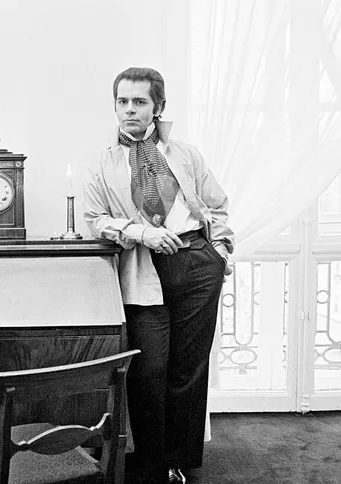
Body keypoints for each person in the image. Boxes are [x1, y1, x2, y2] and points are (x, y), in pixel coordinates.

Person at [83, 67, 234, 484]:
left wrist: (220, 252)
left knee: (188, 371)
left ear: (158, 106)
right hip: (144, 269)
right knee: (148, 373)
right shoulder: (104, 162)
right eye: (122, 101)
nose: (129, 109)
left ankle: (178, 463)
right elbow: (95, 219)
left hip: (197, 264)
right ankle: (150, 464)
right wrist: (141, 233)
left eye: (140, 101)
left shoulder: (186, 154)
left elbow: (217, 205)